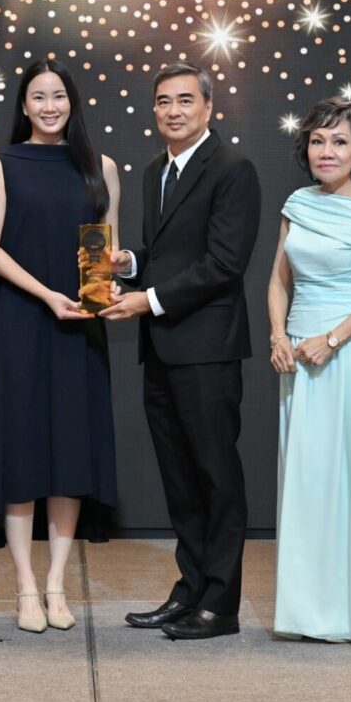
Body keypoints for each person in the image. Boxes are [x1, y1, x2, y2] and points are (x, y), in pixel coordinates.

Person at [101, 61, 261, 641]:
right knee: (180, 480)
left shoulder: (233, 170)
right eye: (164, 101)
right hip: (163, 350)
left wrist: (147, 300)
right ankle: (189, 590)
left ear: (209, 107)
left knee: (216, 477)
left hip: (207, 349)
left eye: (186, 100)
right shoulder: (155, 171)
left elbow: (224, 264)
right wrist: (131, 263)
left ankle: (221, 605)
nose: (174, 110)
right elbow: (169, 252)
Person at [0, 58, 121, 634]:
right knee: (21, 450)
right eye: (38, 96)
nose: (49, 106)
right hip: (19, 321)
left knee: (70, 452)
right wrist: (47, 295)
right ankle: (25, 586)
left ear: (72, 102)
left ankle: (56, 583)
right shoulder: (1, 164)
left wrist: (106, 283)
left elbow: (105, 250)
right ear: (24, 105)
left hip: (79, 323)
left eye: (58, 95)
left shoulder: (101, 167)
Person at [266, 96, 351, 641]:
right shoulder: (297, 203)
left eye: (339, 141)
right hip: (299, 358)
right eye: (318, 140)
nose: (326, 150)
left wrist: (332, 339)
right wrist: (279, 335)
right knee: (309, 484)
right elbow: (279, 280)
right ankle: (308, 612)